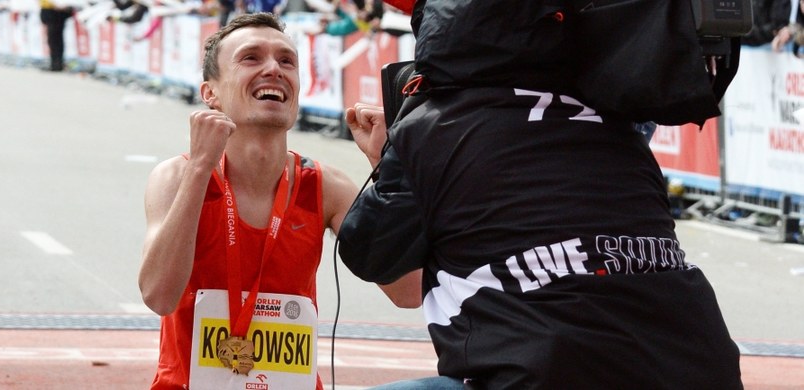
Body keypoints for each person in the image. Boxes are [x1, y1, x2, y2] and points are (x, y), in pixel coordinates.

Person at [338, 1, 743, 389]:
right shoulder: (616, 122)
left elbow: (370, 251)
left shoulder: (433, 127)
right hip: (700, 368)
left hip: (550, 373)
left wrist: (388, 154)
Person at [137, 12, 383, 390]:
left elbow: (409, 291)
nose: (274, 69)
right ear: (210, 94)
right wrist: (201, 167)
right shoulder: (176, 177)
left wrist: (387, 170)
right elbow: (159, 296)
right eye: (251, 58)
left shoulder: (326, 185)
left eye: (287, 61)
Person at [39, 0, 73, 72]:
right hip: (50, 8)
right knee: (54, 39)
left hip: (56, 10)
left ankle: (57, 64)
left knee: (55, 39)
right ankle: (55, 63)